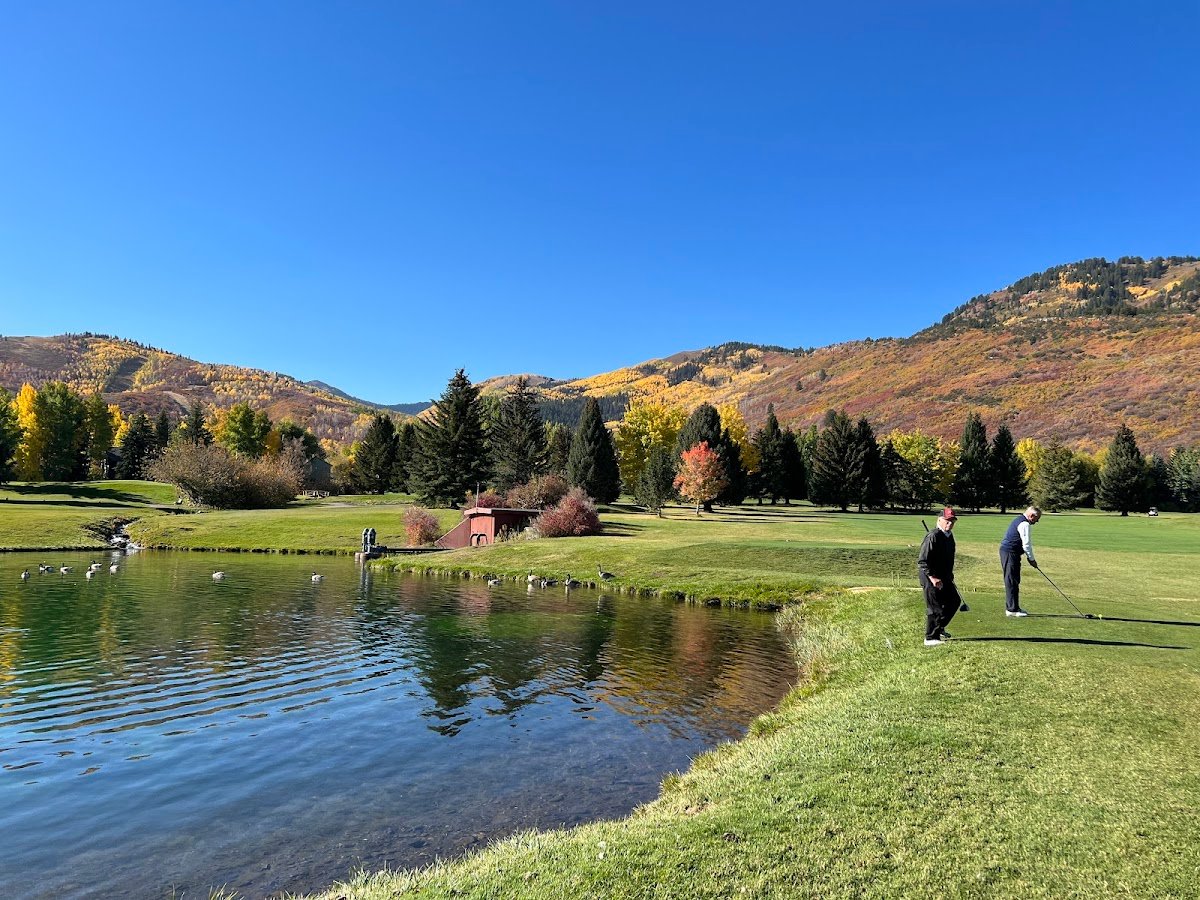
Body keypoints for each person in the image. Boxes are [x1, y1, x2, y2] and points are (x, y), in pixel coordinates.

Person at [917, 507, 962, 647]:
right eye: (947, 521)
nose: (950, 524)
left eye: (952, 521)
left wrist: (949, 575)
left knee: (954, 601)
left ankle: (939, 626)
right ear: (939, 520)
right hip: (930, 576)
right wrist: (933, 577)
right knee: (935, 607)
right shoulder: (933, 536)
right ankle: (930, 638)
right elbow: (923, 561)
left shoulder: (949, 536)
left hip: (944, 576)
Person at [999, 505, 1041, 617]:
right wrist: (1031, 559)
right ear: (1032, 516)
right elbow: (1026, 545)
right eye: (1037, 519)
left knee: (1014, 579)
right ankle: (1011, 609)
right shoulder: (1024, 524)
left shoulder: (1020, 520)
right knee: (1011, 580)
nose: (1037, 522)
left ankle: (1014, 607)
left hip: (1011, 552)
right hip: (1009, 552)